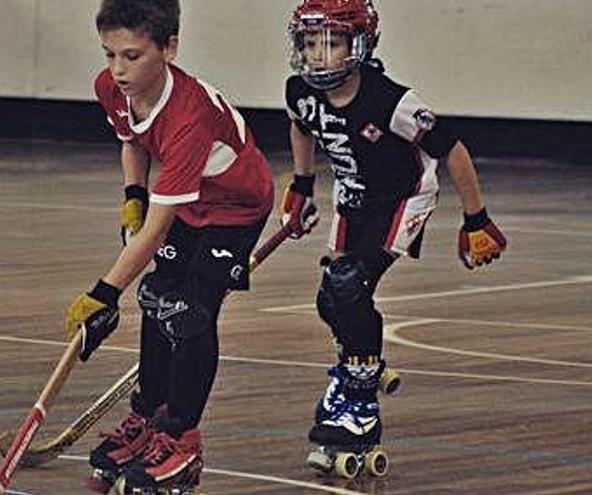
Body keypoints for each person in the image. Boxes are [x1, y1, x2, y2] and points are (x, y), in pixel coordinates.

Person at [280, 0, 508, 469]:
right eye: (309, 43)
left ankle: (361, 404)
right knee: (332, 299)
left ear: (359, 44)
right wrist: (302, 186)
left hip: (403, 197)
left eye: (332, 42)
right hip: (353, 197)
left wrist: (476, 219)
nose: (318, 55)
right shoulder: (299, 91)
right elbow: (301, 126)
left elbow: (453, 148)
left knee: (347, 285)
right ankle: (357, 373)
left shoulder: (392, 102)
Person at [65, 0, 275, 492]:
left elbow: (156, 230)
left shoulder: (189, 115)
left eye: (132, 56)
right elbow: (132, 139)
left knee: (188, 312)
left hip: (236, 208)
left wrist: (103, 292)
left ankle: (181, 438)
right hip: (189, 202)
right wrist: (132, 197)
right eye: (109, 54)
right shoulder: (111, 87)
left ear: (170, 48)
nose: (117, 70)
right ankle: (147, 417)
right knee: (156, 297)